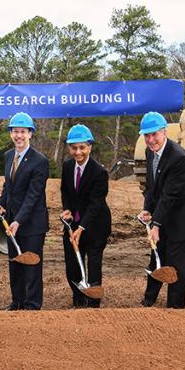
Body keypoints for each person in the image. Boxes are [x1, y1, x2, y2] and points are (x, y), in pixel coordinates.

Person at [138, 112, 185, 309]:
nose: (150, 140)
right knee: (156, 256)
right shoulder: (150, 151)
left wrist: (155, 225)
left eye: (154, 134)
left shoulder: (178, 158)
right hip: (164, 213)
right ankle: (149, 300)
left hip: (184, 217)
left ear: (165, 132)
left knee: (176, 264)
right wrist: (147, 210)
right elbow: (152, 186)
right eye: (146, 135)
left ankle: (175, 309)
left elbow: (170, 195)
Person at [0, 112, 49, 311]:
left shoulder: (40, 161)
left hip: (32, 223)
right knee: (15, 263)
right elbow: (9, 186)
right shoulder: (9, 156)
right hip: (11, 221)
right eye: (15, 131)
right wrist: (2, 204)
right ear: (10, 134)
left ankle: (32, 305)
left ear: (30, 134)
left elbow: (33, 196)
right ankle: (17, 302)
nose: (19, 136)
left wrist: (19, 220)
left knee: (32, 264)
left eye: (23, 132)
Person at [60, 124, 111, 308]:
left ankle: (93, 303)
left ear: (89, 147)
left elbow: (96, 203)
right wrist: (67, 210)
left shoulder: (99, 172)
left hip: (96, 226)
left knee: (94, 266)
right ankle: (79, 299)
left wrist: (81, 228)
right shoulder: (67, 166)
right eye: (74, 148)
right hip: (73, 223)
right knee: (73, 265)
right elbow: (65, 191)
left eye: (82, 147)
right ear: (69, 148)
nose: (78, 152)